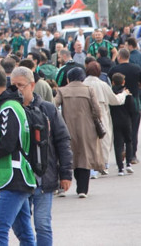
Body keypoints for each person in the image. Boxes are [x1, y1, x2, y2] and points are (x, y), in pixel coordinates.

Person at [10, 67, 73, 246]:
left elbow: (63, 141)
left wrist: (66, 173)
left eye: (21, 85)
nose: (17, 90)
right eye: (13, 86)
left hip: (43, 178)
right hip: (18, 180)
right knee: (19, 224)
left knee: (42, 224)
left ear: (32, 85)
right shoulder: (9, 110)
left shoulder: (48, 109)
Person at [0, 65, 36, 246]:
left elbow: (7, 145)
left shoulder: (8, 108)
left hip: (14, 176)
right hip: (13, 175)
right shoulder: (5, 106)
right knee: (23, 231)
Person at [54, 67, 103, 198]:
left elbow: (54, 106)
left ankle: (62, 188)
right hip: (87, 129)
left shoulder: (62, 90)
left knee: (67, 156)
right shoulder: (89, 90)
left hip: (66, 128)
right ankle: (82, 190)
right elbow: (97, 111)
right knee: (84, 158)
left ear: (68, 78)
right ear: (82, 78)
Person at [83, 61, 125, 176]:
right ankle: (103, 165)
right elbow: (115, 100)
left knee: (89, 142)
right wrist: (123, 94)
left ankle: (91, 169)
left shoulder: (83, 84)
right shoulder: (103, 85)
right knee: (103, 141)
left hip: (86, 116)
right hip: (102, 115)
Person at [109, 49, 141, 165]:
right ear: (128, 57)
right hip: (134, 100)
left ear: (119, 57)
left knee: (119, 131)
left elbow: (111, 84)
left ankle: (120, 154)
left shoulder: (114, 69)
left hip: (118, 103)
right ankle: (132, 156)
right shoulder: (136, 68)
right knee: (133, 130)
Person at [109, 73, 137, 176]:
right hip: (126, 120)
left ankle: (120, 167)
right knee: (128, 141)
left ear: (112, 82)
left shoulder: (111, 94)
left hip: (115, 121)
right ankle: (128, 163)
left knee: (118, 144)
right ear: (123, 82)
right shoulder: (127, 94)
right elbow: (133, 110)